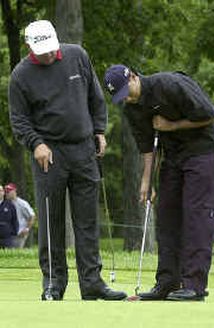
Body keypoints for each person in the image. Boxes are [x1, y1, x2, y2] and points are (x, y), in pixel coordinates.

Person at [8, 20, 126, 301]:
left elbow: (95, 97)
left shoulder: (77, 55)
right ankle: (53, 283)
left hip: (84, 149)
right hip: (49, 155)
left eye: (51, 48)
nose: (49, 55)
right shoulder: (21, 76)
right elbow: (19, 121)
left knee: (87, 220)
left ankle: (92, 282)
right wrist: (36, 144)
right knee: (52, 221)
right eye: (42, 51)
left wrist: (99, 130)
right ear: (29, 47)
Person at [104, 65, 214, 301]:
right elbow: (147, 145)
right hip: (174, 155)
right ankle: (168, 282)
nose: (127, 98)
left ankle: (194, 285)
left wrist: (171, 126)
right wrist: (146, 180)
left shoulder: (170, 84)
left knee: (197, 216)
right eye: (121, 96)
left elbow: (209, 115)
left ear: (132, 76)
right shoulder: (131, 107)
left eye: (127, 91)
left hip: (206, 149)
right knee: (167, 216)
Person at [5, 183, 35, 248]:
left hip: (20, 234)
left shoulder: (22, 203)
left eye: (9, 191)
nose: (7, 193)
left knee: (16, 253)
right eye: (6, 191)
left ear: (14, 191)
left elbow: (32, 216)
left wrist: (27, 229)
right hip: (8, 234)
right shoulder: (6, 204)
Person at [0, 184, 19, 248]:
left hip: (7, 237)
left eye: (1, 191)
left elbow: (15, 220)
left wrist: (14, 233)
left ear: (3, 193)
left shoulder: (10, 205)